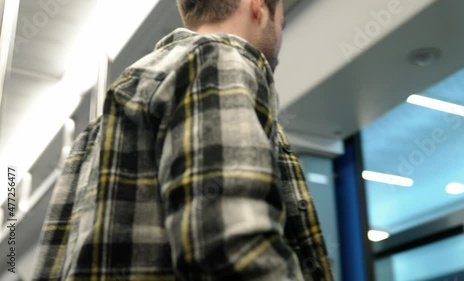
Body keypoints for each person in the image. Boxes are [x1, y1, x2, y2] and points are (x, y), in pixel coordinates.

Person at [32, 0, 334, 280]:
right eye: (282, 20)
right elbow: (230, 245)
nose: (281, 32)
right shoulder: (216, 60)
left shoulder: (96, 131)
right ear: (257, 5)